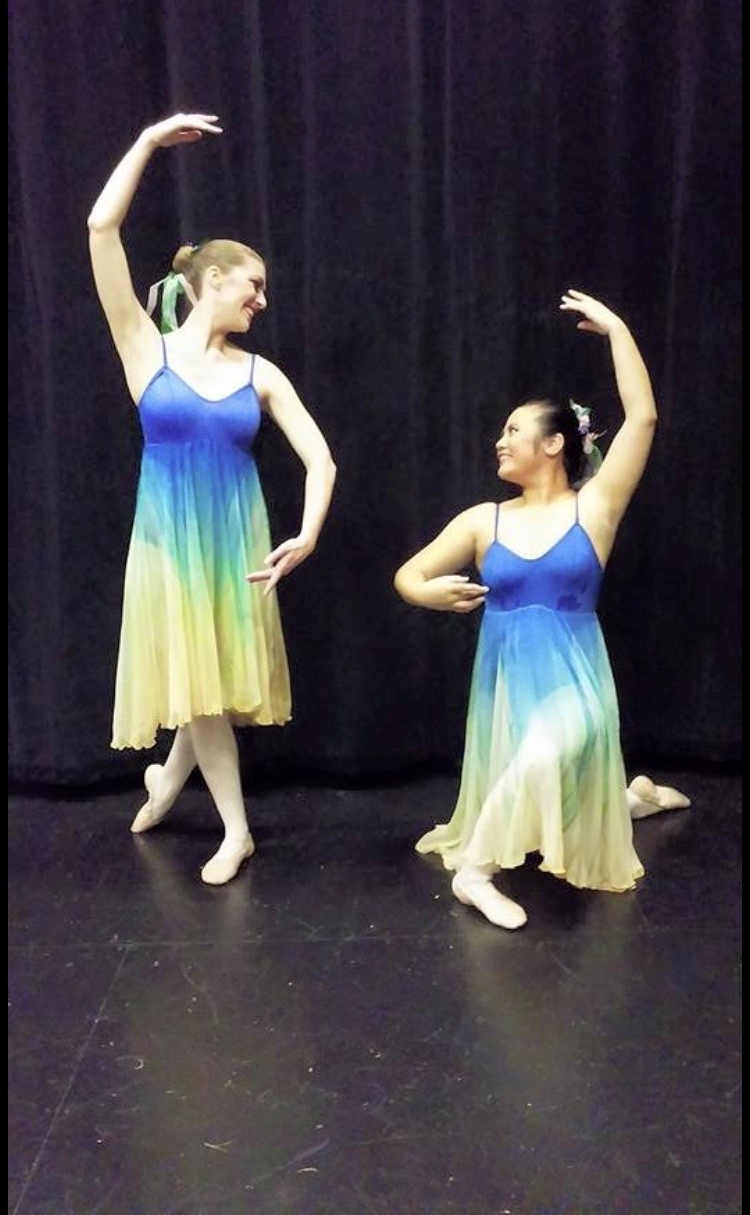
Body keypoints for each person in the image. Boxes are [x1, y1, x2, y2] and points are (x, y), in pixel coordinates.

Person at [87, 112, 336, 885]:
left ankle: (169, 778)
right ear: (213, 282)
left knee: (211, 686)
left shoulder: (259, 375)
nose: (262, 300)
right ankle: (236, 831)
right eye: (254, 285)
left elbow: (320, 456)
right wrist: (148, 142)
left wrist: (308, 533)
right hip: (168, 544)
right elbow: (101, 226)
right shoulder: (144, 350)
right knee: (204, 696)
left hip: (234, 546)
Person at [393, 289, 690, 930]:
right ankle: (630, 797)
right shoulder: (482, 520)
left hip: (574, 675)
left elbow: (641, 420)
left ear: (555, 445)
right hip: (507, 682)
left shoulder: (595, 507)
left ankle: (474, 873)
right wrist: (427, 593)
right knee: (558, 776)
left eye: (512, 431)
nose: (498, 441)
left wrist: (617, 330)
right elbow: (408, 574)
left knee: (551, 754)